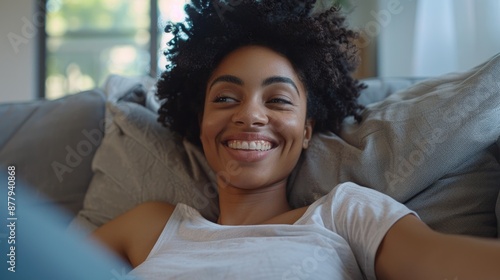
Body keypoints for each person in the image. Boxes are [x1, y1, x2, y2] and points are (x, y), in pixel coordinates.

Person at [93, 0, 500, 279]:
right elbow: (29, 262)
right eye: (226, 98)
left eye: (278, 100)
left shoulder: (345, 212)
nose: (250, 115)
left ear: (306, 132)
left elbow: (437, 259)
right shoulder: (151, 226)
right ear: (200, 122)